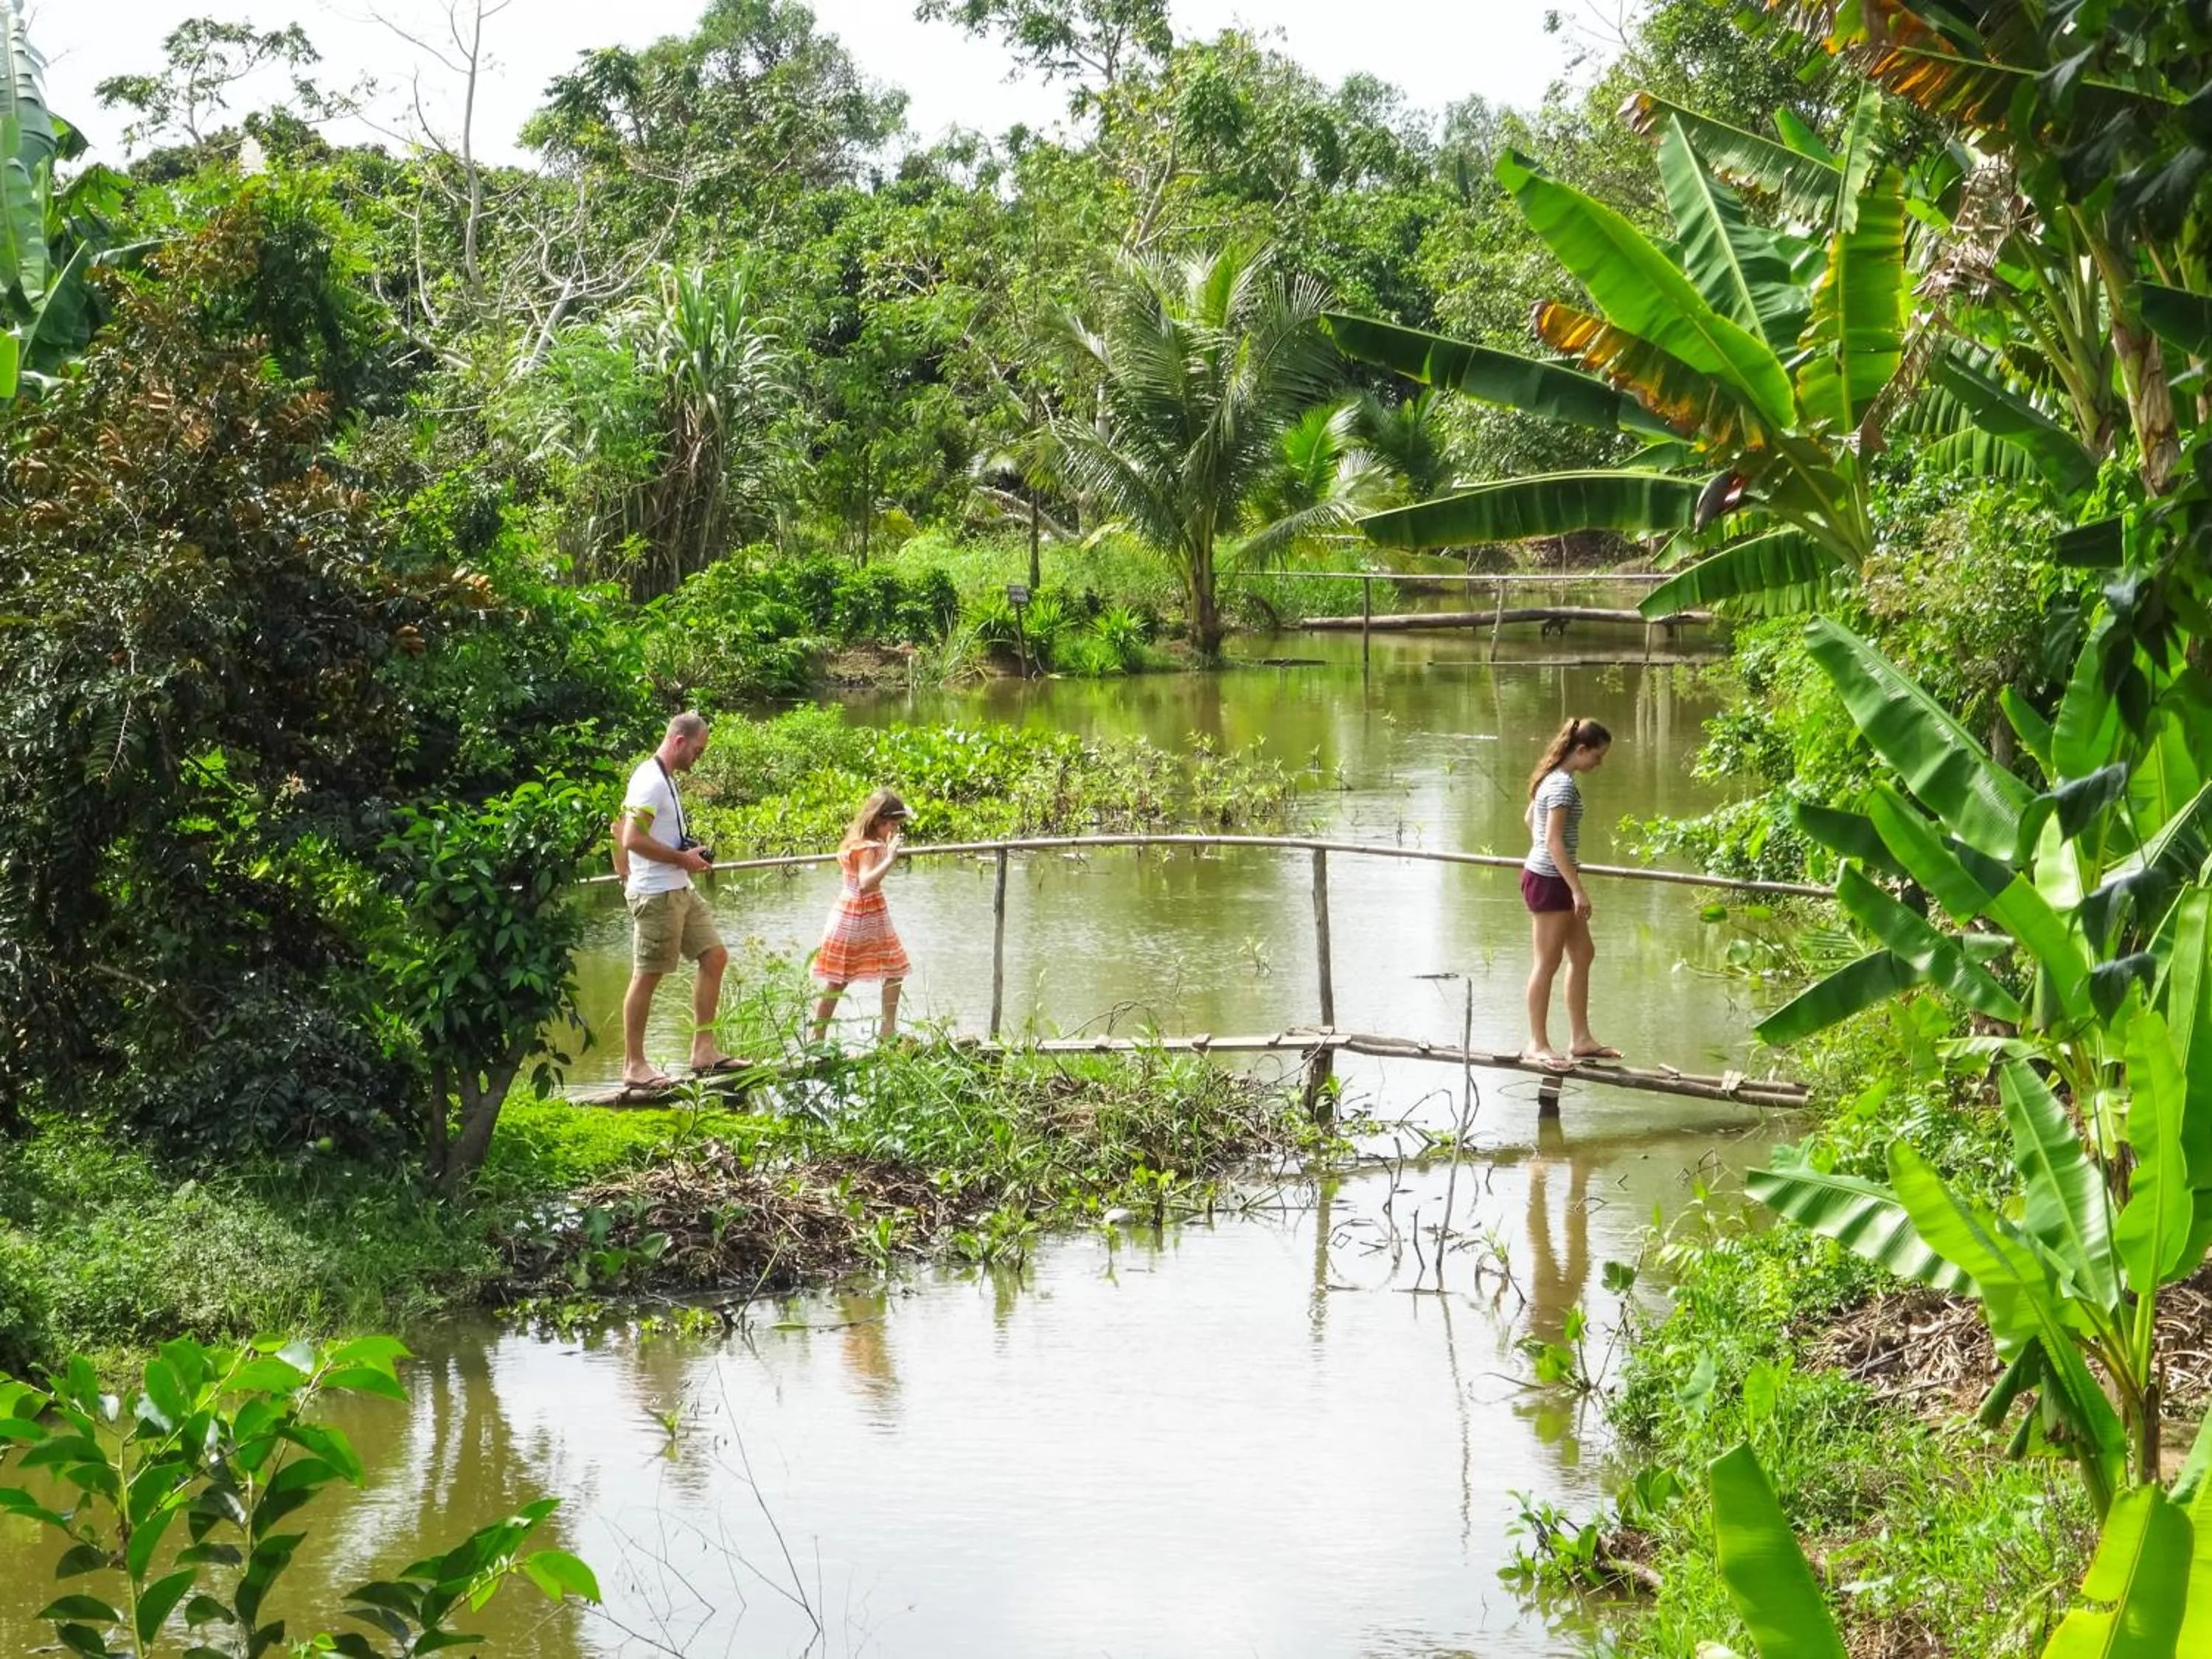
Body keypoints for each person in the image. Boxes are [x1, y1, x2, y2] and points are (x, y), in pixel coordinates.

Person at [613, 712, 740, 1087]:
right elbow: (631, 838)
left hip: (678, 887)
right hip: (657, 893)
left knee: (714, 956)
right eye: (697, 751)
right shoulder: (650, 780)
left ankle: (704, 1051)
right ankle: (634, 1066)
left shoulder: (664, 778)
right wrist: (680, 859)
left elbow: (618, 828)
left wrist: (682, 857)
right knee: (647, 975)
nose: (698, 758)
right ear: (679, 741)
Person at [1520, 717, 1621, 1074]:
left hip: (1555, 876)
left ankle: (1580, 1039)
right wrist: (1577, 889)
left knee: (1583, 953)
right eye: (1597, 756)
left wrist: (1562, 869)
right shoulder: (1561, 785)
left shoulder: (1552, 778)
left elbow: (1530, 819)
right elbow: (1552, 840)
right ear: (1580, 749)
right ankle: (1536, 1044)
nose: (1599, 763)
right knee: (1546, 963)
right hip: (1550, 881)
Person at [812, 788, 912, 1046]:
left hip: (851, 912)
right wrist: (890, 857)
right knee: (891, 969)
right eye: (893, 825)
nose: (895, 831)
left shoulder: (855, 842)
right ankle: (887, 1031)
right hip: (862, 914)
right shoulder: (870, 848)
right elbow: (865, 883)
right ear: (879, 821)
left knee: (839, 980)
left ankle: (817, 1039)